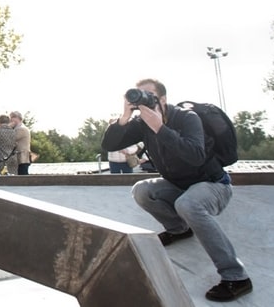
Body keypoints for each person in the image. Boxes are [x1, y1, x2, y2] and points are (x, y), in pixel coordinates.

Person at [102, 78, 252, 302]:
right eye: (138, 96)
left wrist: (160, 129)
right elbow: (109, 145)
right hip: (179, 185)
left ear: (163, 99)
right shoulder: (141, 123)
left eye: (149, 97)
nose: (144, 103)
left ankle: (237, 276)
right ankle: (178, 229)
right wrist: (124, 117)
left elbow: (195, 156)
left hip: (213, 184)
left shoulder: (186, 118)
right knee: (142, 191)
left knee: (187, 204)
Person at [11, 111, 31, 175]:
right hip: (20, 158)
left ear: (19, 118)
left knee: (22, 176)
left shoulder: (21, 129)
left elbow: (10, 139)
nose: (11, 119)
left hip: (22, 158)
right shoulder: (18, 128)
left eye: (13, 117)